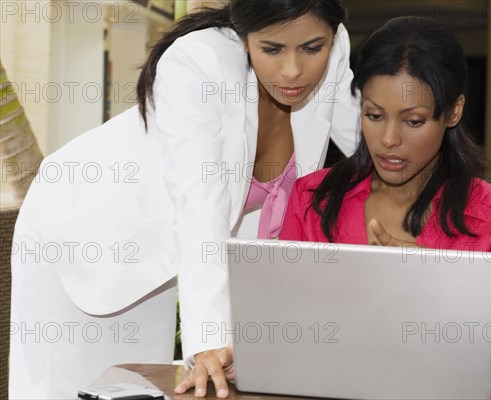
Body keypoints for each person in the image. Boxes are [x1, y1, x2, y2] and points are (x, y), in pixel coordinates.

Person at [9, 1, 359, 398]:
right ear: (244, 37)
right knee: (73, 389)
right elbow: (200, 202)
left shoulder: (332, 45)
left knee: (140, 388)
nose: (293, 70)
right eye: (272, 49)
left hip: (170, 249)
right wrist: (208, 336)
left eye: (312, 48)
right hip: (87, 227)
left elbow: (378, 144)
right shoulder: (198, 60)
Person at [279, 16, 491, 388]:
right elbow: (283, 332)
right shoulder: (314, 200)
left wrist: (440, 281)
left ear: (453, 112)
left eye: (413, 121)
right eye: (374, 115)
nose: (389, 140)